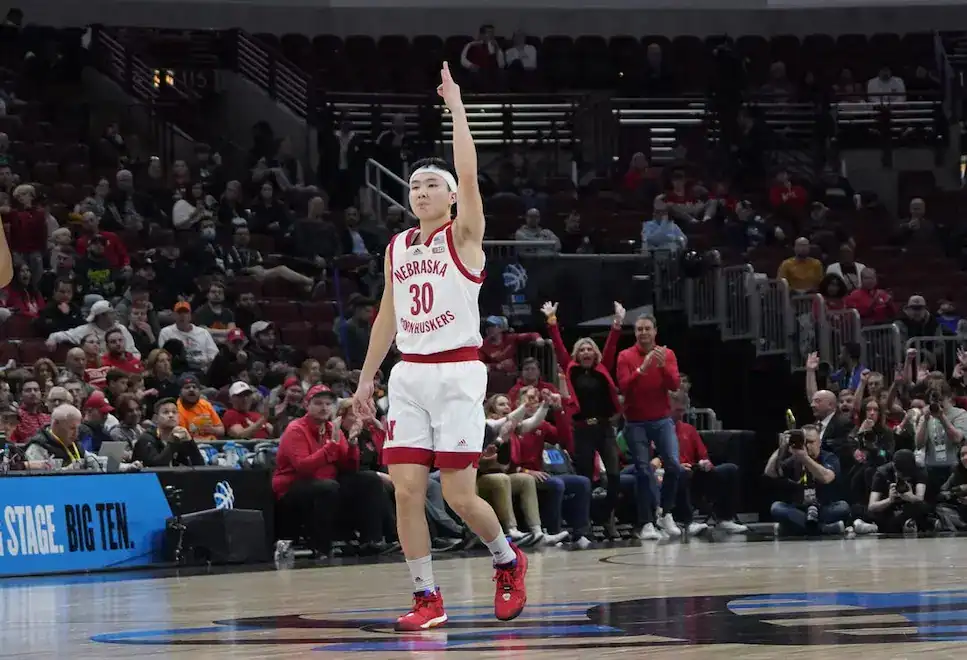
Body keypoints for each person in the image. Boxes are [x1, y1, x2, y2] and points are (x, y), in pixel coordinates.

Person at [351, 62, 526, 632]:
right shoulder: (397, 247)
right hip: (408, 375)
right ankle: (427, 596)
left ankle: (506, 557)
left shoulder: (465, 237)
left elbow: (470, 176)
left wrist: (455, 109)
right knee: (405, 490)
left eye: (433, 185)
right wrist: (365, 379)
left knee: (457, 495)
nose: (421, 191)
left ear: (450, 199)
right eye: (415, 185)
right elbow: (386, 315)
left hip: (456, 374)